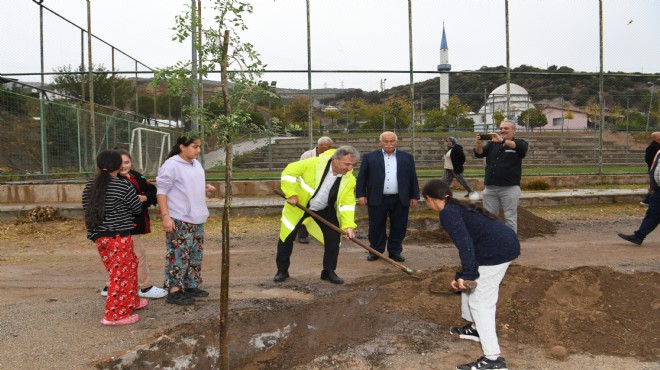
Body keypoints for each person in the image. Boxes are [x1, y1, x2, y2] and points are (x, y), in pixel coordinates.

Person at [422, 179, 519, 370]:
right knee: (469, 285)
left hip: (497, 252)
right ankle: (475, 328)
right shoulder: (454, 207)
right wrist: (463, 274)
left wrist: (468, 275)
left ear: (429, 199)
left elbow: (465, 245)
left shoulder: (448, 213)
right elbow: (471, 246)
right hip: (499, 247)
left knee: (481, 303)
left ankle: (493, 360)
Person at [273, 146, 360, 285]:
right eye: (347, 164)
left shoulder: (349, 179)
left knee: (333, 239)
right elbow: (289, 171)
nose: (350, 168)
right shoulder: (314, 163)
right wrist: (291, 193)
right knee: (286, 237)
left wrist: (348, 226)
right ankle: (282, 270)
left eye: (352, 165)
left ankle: (328, 272)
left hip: (325, 209)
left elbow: (347, 205)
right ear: (335, 159)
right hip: (300, 206)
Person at [82, 150, 147, 326]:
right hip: (118, 237)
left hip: (99, 237)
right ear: (118, 165)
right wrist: (139, 199)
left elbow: (86, 209)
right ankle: (114, 315)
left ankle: (131, 301)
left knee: (128, 267)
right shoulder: (123, 185)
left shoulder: (90, 186)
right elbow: (136, 209)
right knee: (121, 274)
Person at [99, 149, 168, 299]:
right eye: (120, 163)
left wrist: (144, 198)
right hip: (125, 226)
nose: (123, 166)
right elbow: (131, 205)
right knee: (138, 254)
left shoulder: (137, 176)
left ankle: (110, 286)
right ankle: (144, 286)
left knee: (123, 258)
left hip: (132, 224)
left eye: (127, 162)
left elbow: (152, 191)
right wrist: (138, 200)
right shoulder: (116, 182)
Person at [156, 134, 216, 305]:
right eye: (194, 147)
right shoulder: (171, 165)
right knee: (178, 254)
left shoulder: (195, 163)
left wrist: (204, 187)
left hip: (197, 218)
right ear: (182, 146)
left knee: (194, 254)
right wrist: (166, 217)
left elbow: (185, 185)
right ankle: (174, 290)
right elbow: (162, 192)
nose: (198, 150)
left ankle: (191, 285)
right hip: (179, 218)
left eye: (199, 147)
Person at [356, 131, 419, 262]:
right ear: (380, 142)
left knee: (399, 225)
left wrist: (414, 196)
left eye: (391, 141)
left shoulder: (407, 157)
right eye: (386, 141)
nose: (389, 144)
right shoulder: (369, 157)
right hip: (377, 197)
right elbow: (362, 178)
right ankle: (376, 251)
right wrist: (361, 194)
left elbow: (412, 178)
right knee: (376, 225)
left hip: (400, 198)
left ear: (396, 142)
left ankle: (395, 251)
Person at [474, 121, 529, 234]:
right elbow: (479, 154)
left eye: (506, 128)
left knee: (510, 218)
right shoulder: (492, 144)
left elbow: (520, 148)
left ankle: (510, 245)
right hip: (490, 187)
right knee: (489, 218)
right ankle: (493, 242)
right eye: (501, 128)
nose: (502, 130)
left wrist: (502, 141)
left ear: (514, 130)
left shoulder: (520, 143)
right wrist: (479, 144)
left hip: (509, 188)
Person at [618, 149, 660, 246]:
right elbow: (655, 168)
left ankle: (639, 236)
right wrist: (652, 185)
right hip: (658, 189)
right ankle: (639, 236)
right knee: (653, 213)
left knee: (653, 213)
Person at [297, 136, 334, 244]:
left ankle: (325, 234)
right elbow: (299, 170)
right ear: (321, 145)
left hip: (324, 189)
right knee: (305, 212)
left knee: (325, 212)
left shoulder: (331, 156)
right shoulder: (307, 155)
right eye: (329, 146)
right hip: (308, 189)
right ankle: (302, 236)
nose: (331, 148)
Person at [641, 132, 660, 206]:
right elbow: (648, 159)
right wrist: (654, 166)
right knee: (654, 186)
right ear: (658, 138)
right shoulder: (653, 147)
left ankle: (647, 201)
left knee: (654, 186)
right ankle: (647, 201)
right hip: (655, 169)